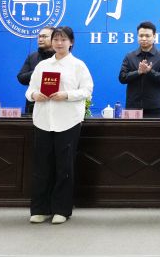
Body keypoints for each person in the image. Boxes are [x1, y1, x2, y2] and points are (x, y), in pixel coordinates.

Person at [25, 26, 93, 225]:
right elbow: (30, 89)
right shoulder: (42, 65)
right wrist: (34, 95)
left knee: (64, 167)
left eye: (63, 39)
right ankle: (40, 209)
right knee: (41, 166)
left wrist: (67, 95)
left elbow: (87, 90)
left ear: (71, 42)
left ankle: (61, 209)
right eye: (56, 39)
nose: (59, 43)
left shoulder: (78, 65)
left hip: (68, 121)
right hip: (43, 120)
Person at [119, 21, 160, 118]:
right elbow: (122, 78)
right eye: (141, 35)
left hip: (155, 107)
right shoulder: (130, 56)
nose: (144, 38)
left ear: (154, 36)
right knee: (130, 128)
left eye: (147, 36)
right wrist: (138, 72)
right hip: (133, 106)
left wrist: (150, 72)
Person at [17, 26, 55, 114]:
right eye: (39, 37)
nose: (40, 39)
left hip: (56, 105)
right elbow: (21, 78)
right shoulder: (32, 56)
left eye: (44, 36)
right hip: (34, 105)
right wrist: (38, 72)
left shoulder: (61, 57)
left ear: (54, 39)